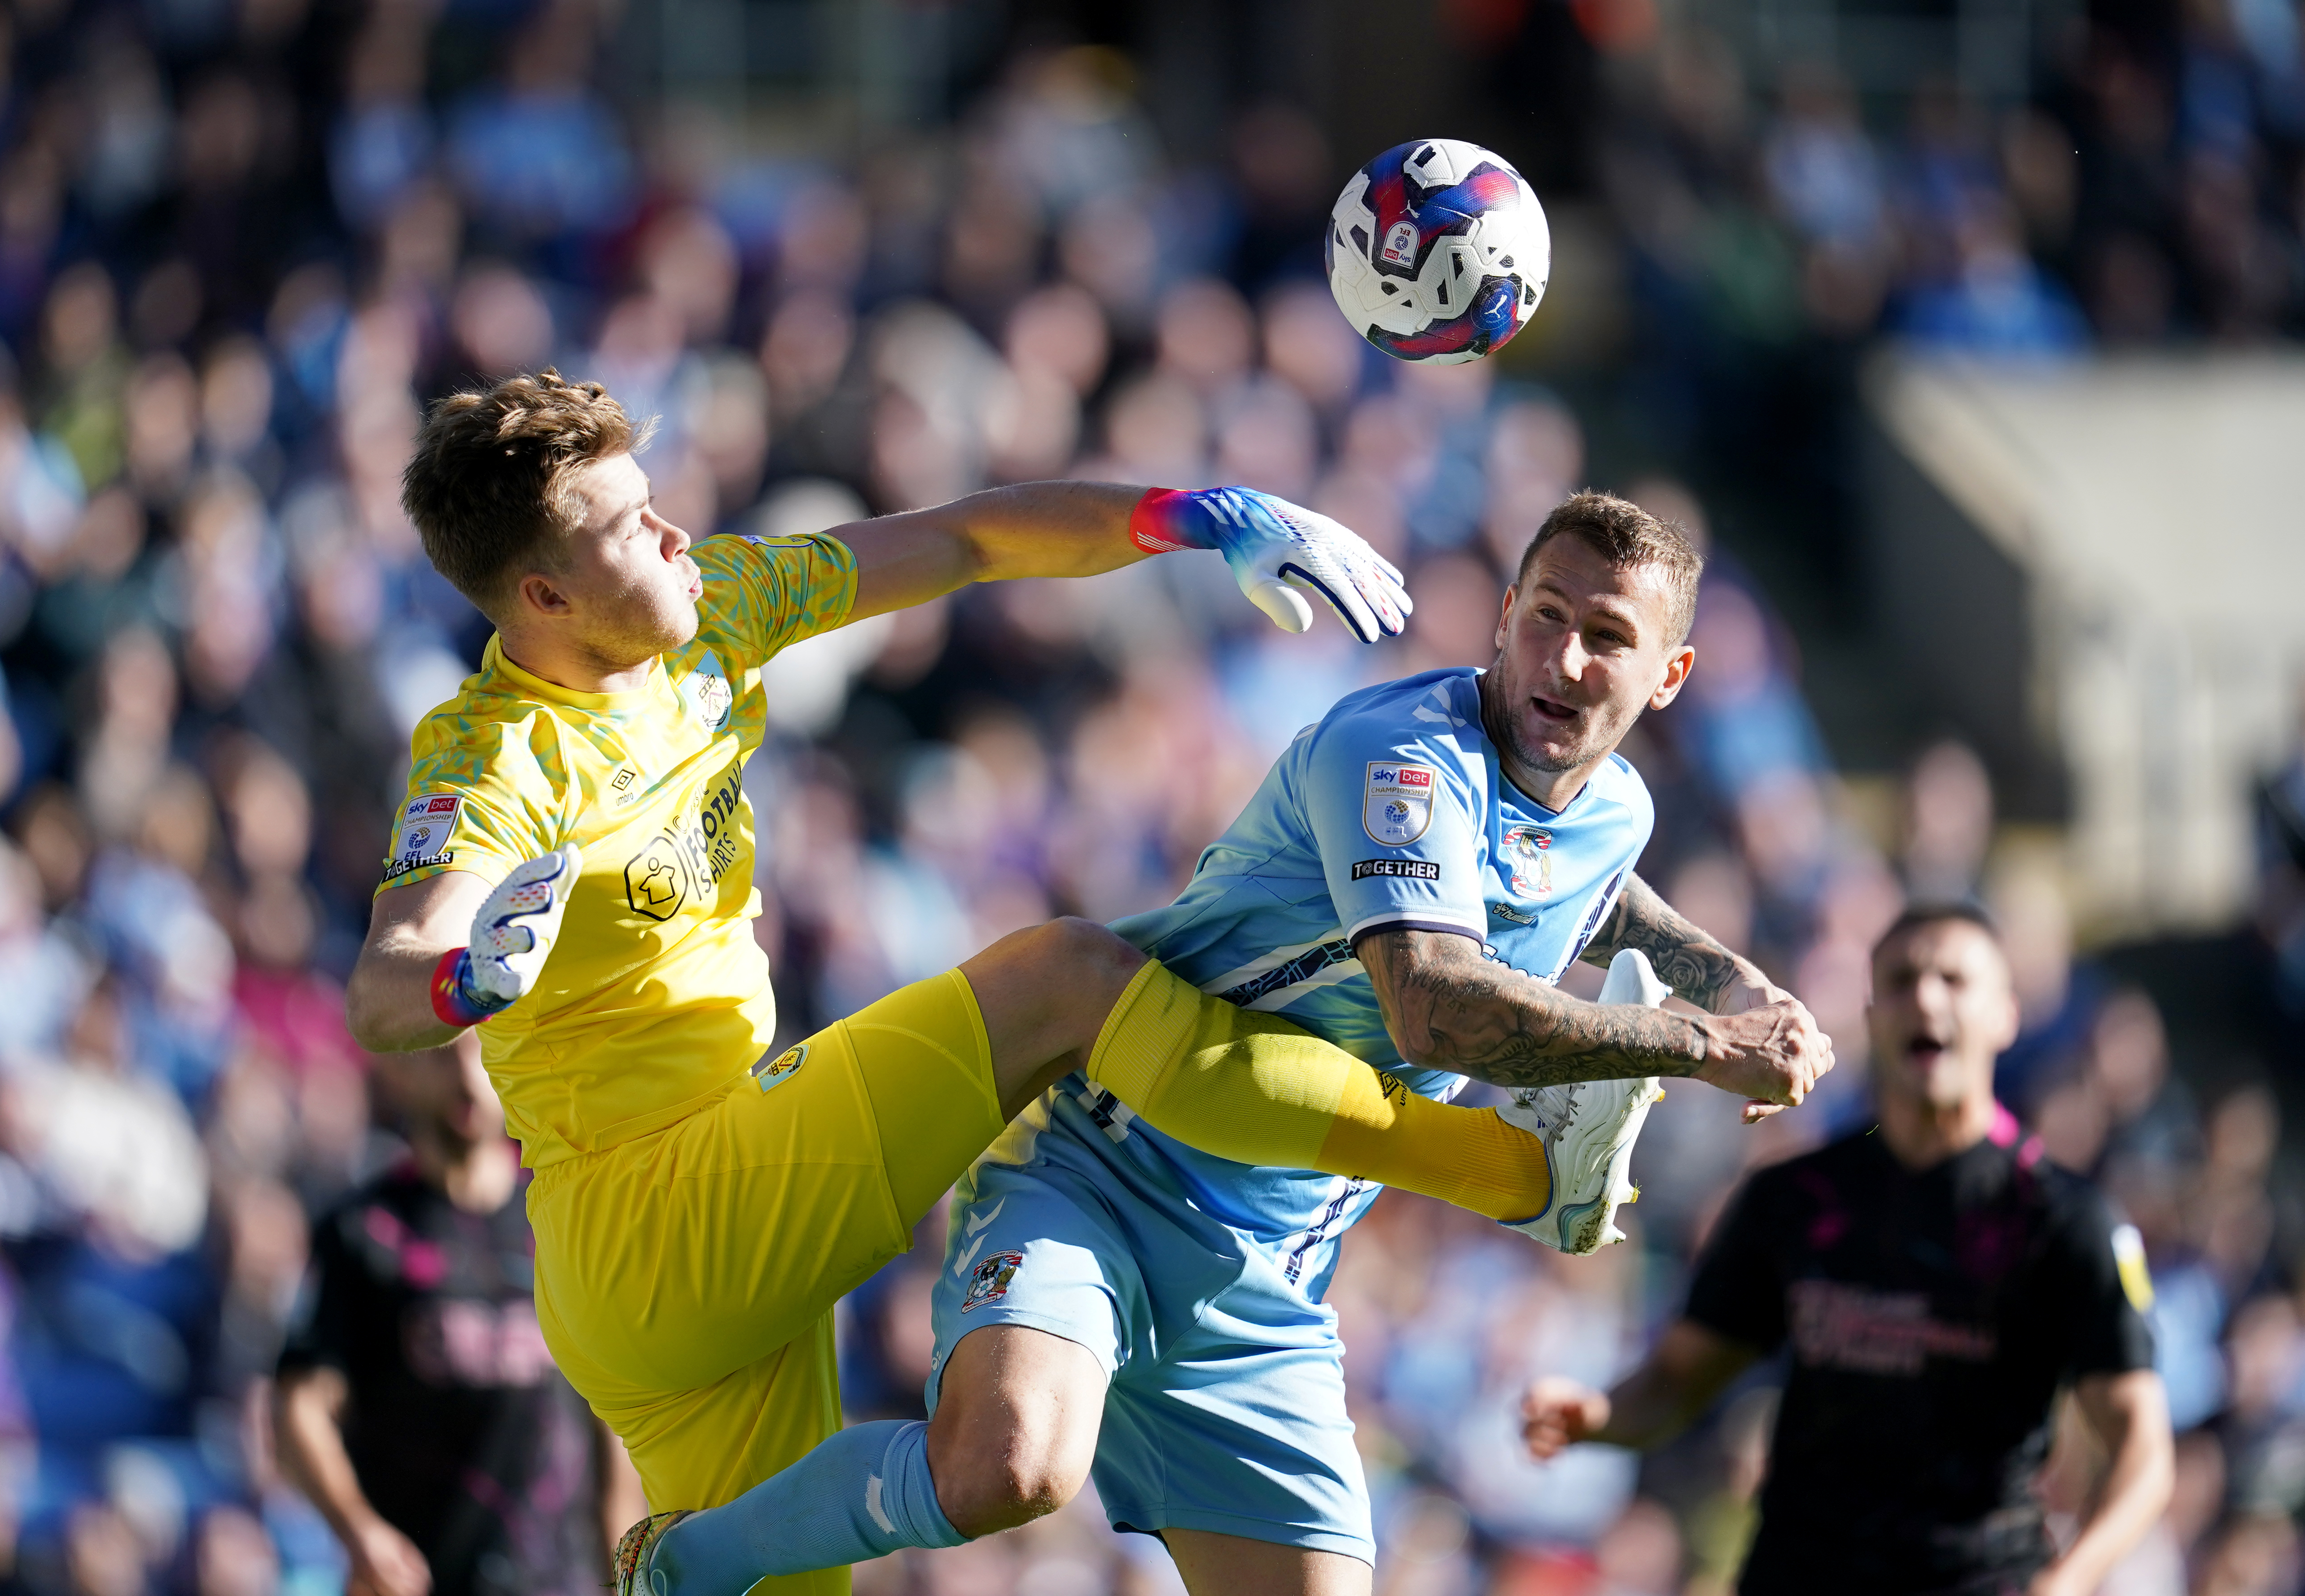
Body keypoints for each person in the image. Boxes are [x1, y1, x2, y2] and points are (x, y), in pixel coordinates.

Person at [347, 373, 1753, 1596]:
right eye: (624, 529)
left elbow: (966, 538)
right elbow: (385, 985)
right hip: (656, 1212)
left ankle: (685, 1563)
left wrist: (1194, 514)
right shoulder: (491, 757)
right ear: (541, 595)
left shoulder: (706, 608)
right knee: (1068, 979)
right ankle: (1516, 1173)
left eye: (653, 501)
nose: (669, 528)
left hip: (723, 1254)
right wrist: (471, 977)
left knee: (749, 1570)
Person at [639, 491, 1837, 1596]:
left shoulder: (1614, 802)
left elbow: (1600, 890)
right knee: (1010, 1466)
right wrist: (1684, 1040)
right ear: (1503, 617)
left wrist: (1735, 983)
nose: (1565, 659)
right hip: (1106, 1171)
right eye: (1546, 615)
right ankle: (688, 1564)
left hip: (1270, 1271)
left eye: (1609, 637)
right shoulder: (1403, 759)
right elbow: (1432, 1002)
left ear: (1671, 673)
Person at [1522, 903, 2176, 1596]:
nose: (1924, 997)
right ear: (1871, 1018)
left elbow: (2143, 1450)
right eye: (1900, 980)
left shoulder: (2063, 1220)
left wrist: (2068, 1584)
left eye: (1953, 980)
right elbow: (1675, 1383)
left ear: (2005, 1015)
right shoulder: (1795, 1199)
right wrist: (1597, 1417)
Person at [275, 1032, 646, 1596]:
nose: (467, 1076)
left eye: (481, 1051)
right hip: (424, 1576)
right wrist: (358, 1531)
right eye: (443, 1053)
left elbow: (612, 1413)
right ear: (401, 1071)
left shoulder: (557, 1222)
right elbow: (299, 1405)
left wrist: (622, 1560)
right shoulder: (366, 1232)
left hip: (559, 1576)